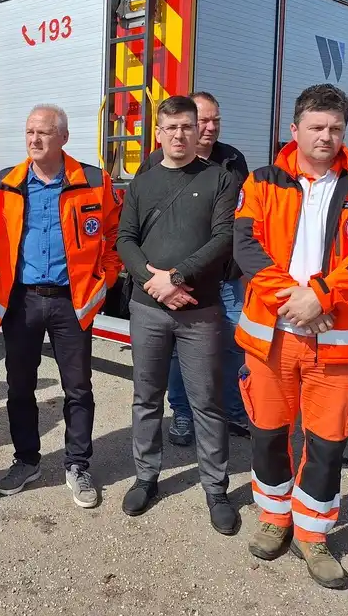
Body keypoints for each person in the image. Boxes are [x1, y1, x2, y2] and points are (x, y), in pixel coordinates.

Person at [234, 83, 348, 589]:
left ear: (345, 131)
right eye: (316, 127)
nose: (326, 136)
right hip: (272, 336)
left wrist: (320, 297)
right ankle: (275, 519)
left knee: (326, 442)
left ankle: (314, 533)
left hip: (337, 338)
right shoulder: (261, 181)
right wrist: (295, 302)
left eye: (335, 128)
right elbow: (246, 244)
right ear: (294, 129)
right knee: (268, 435)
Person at [0, 104, 121, 510]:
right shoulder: (5, 183)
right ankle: (26, 461)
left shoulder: (94, 181)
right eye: (29, 133)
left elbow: (114, 233)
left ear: (63, 137)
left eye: (43, 133)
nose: (34, 140)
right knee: (19, 387)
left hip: (70, 303)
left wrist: (105, 277)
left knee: (78, 388)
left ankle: (78, 464)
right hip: (21, 302)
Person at [115, 96, 239, 532]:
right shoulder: (141, 182)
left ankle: (216, 489)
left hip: (201, 310)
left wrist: (178, 276)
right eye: (170, 128)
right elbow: (125, 240)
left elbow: (225, 237)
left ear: (198, 128)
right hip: (148, 309)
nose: (180, 135)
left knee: (207, 400)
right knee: (146, 397)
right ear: (158, 133)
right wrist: (155, 285)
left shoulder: (220, 179)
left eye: (188, 127)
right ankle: (146, 477)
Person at [138, 92, 250, 446]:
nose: (210, 127)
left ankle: (234, 411)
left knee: (233, 345)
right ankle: (183, 414)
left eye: (216, 120)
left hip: (225, 277)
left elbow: (237, 224)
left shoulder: (232, 160)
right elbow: (137, 230)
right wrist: (161, 279)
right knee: (174, 352)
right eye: (202, 121)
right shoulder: (154, 164)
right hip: (173, 286)